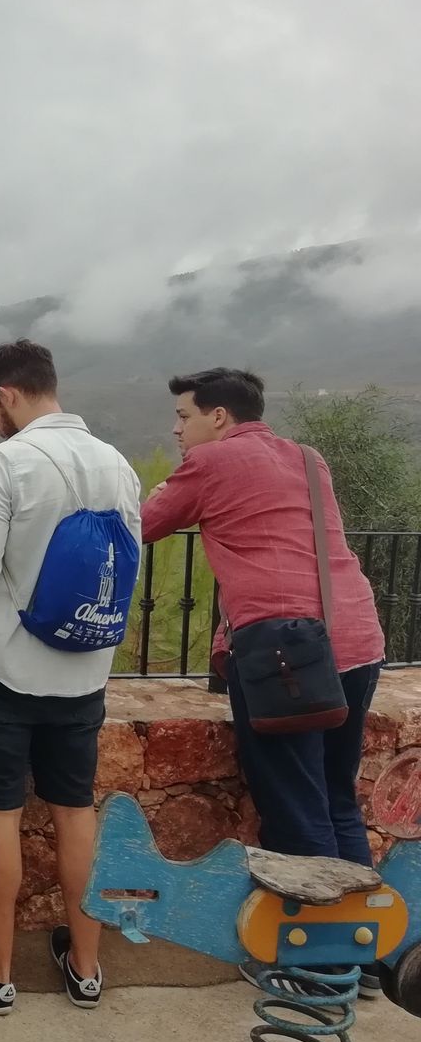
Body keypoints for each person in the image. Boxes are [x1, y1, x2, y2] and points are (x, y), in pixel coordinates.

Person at [141, 368, 386, 994]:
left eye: (184, 416)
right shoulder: (308, 458)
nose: (177, 429)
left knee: (296, 806)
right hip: (356, 638)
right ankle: (362, 953)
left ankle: (319, 970)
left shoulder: (211, 462)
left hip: (286, 656)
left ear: (219, 416)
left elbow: (141, 525)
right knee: (336, 796)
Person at [0, 339, 140, 1016]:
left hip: (2, 670)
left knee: (0, 813)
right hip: (83, 673)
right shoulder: (118, 465)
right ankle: (85, 968)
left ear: (9, 395)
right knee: (75, 812)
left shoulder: (9, 462)